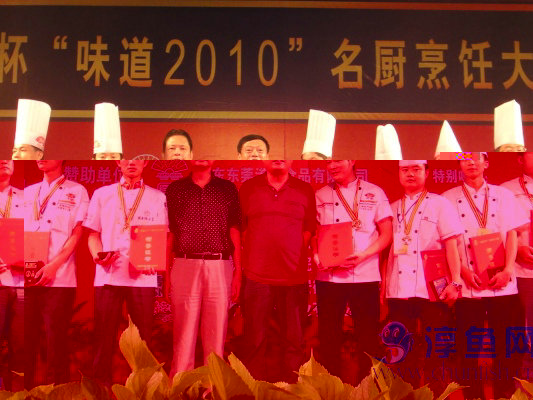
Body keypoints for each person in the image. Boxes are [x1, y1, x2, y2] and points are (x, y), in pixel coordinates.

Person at [442, 152, 527, 399]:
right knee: (468, 348)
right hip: (468, 285)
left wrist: (509, 269)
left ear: (486, 163)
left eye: (477, 158)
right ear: (459, 164)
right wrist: (463, 272)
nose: (471, 162)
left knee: (507, 346)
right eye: (465, 158)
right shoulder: (447, 198)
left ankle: (505, 395)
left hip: (503, 283)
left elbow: (512, 234)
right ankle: (473, 396)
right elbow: (450, 242)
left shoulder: (504, 195)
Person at [84, 159, 167, 386]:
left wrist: (154, 259)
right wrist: (97, 255)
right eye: (126, 158)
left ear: (145, 162)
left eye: (137, 158)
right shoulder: (102, 194)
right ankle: (101, 390)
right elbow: (93, 235)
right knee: (103, 338)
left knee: (142, 341)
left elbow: (160, 236)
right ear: (118, 162)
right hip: (108, 275)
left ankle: (141, 391)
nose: (132, 163)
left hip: (142, 277)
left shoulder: (157, 197)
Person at [385, 160, 463, 391]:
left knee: (435, 350)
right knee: (402, 350)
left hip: (433, 288)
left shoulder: (440, 204)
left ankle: (435, 395)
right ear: (399, 173)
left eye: (416, 169)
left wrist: (456, 281)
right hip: (399, 290)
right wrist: (384, 289)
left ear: (427, 172)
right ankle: (405, 395)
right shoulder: (391, 208)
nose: (410, 174)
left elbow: (452, 245)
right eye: (405, 170)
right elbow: (387, 254)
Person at [313, 160, 392, 384]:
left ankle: (367, 388)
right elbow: (314, 233)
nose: (332, 165)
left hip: (365, 275)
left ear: (352, 160)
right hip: (329, 278)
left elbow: (387, 234)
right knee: (328, 336)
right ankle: (332, 389)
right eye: (329, 161)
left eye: (338, 160)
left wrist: (365, 255)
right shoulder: (320, 195)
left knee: (368, 336)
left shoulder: (374, 193)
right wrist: (316, 255)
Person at [239, 160, 316, 382]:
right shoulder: (249, 188)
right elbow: (242, 229)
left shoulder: (304, 189)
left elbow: (309, 228)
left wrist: (292, 251)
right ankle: (253, 390)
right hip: (256, 276)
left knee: (294, 340)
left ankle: (291, 390)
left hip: (294, 277)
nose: (278, 158)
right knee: (254, 339)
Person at [165, 160, 241, 375]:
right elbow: (170, 233)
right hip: (184, 264)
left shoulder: (227, 188)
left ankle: (212, 386)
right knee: (183, 332)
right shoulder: (175, 189)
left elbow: (235, 229)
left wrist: (238, 271)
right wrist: (167, 274)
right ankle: (181, 386)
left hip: (220, 265)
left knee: (216, 333)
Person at [24, 160, 89, 388]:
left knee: (56, 342)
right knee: (25, 341)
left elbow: (77, 233)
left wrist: (54, 265)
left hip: (59, 277)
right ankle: (26, 392)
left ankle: (57, 392)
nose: (41, 158)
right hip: (27, 277)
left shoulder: (77, 191)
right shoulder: (28, 192)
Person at [500, 152, 533, 382]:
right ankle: (523, 385)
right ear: (520, 159)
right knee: (522, 327)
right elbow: (497, 229)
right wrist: (518, 248)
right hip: (522, 271)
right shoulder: (505, 191)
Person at [0, 160, 24, 390]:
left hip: (20, 283)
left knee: (20, 346)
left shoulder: (27, 199)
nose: (4, 160)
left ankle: (17, 394)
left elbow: (37, 236)